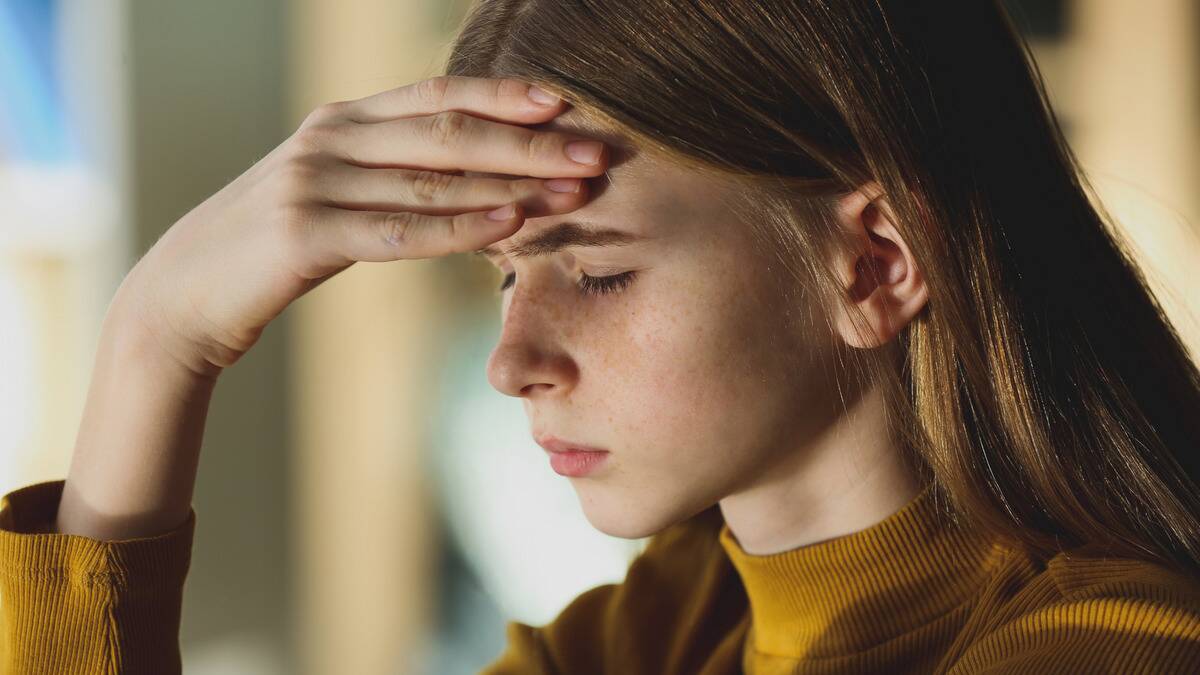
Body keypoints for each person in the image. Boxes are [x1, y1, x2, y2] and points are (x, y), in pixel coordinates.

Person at [2, 0, 1199, 673]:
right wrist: (155, 338)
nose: (512, 361)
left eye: (601, 272)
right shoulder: (662, 636)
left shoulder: (1109, 652)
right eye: (507, 273)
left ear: (877, 262)